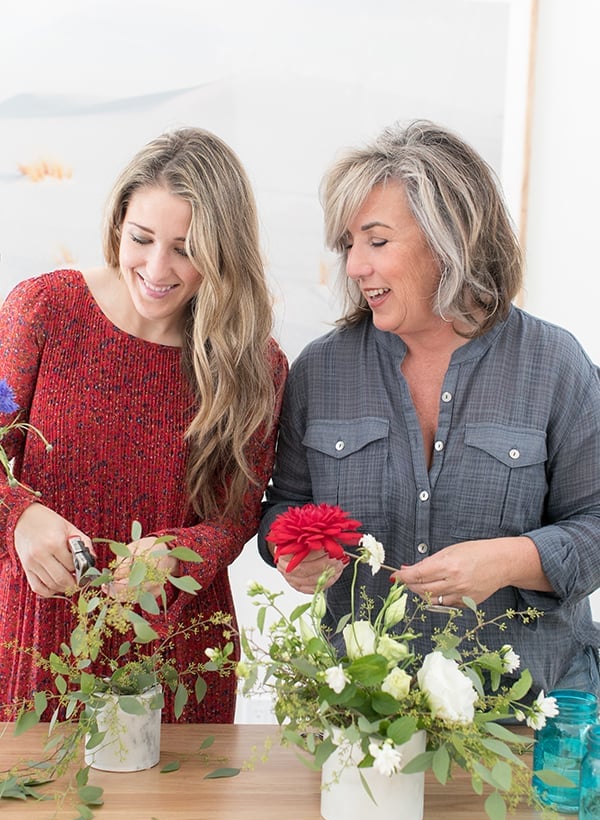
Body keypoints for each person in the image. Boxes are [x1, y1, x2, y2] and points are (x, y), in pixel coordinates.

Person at [258, 118, 600, 700]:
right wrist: (290, 551)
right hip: (365, 723)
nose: (355, 267)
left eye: (377, 241)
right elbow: (282, 510)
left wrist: (512, 559)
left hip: (530, 717)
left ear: (451, 238)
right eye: (348, 245)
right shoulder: (321, 371)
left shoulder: (555, 364)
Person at [0, 127, 288, 722]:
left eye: (186, 249)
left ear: (223, 254)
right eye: (142, 238)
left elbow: (234, 518)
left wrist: (176, 557)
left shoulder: (253, 366)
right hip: (35, 645)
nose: (157, 268)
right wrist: (18, 516)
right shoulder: (44, 312)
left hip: (177, 665)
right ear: (117, 226)